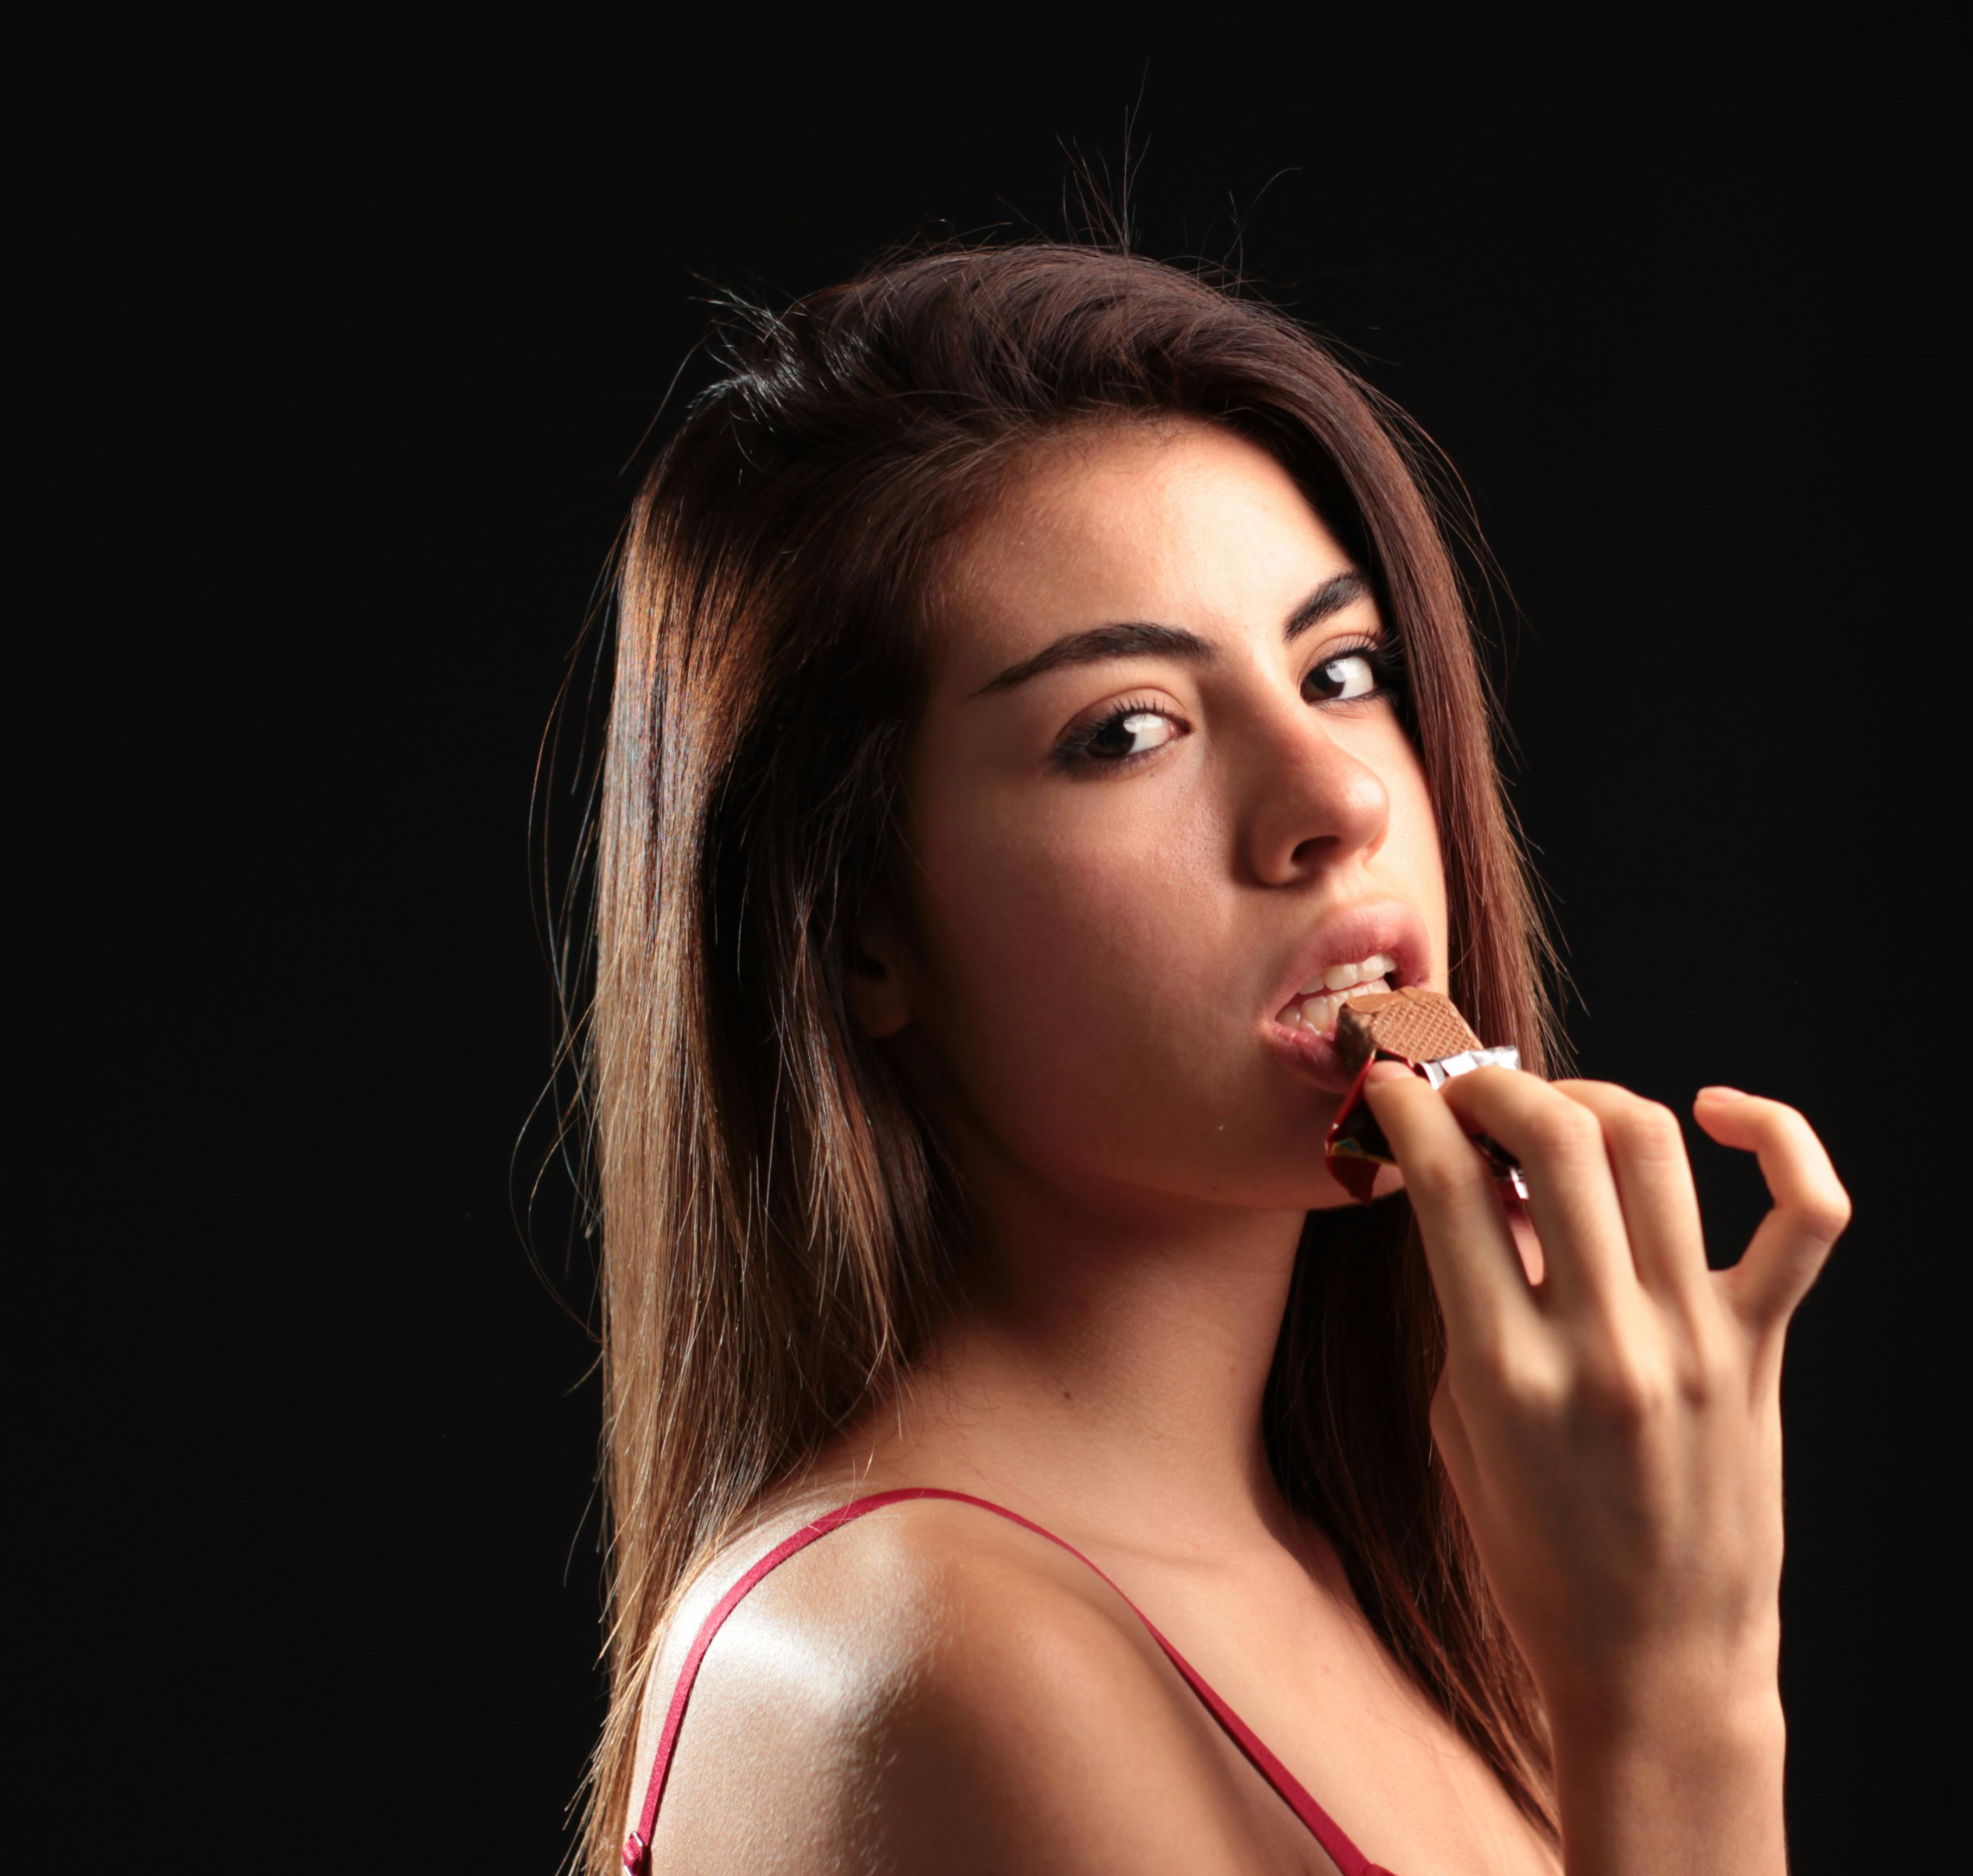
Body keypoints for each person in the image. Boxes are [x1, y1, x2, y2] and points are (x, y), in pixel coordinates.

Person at [575, 242, 1850, 1874]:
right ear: (860, 937)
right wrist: (1688, 1700)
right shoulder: (926, 1660)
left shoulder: (1417, 1586)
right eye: (1127, 731)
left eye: (1341, 672)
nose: (1340, 801)